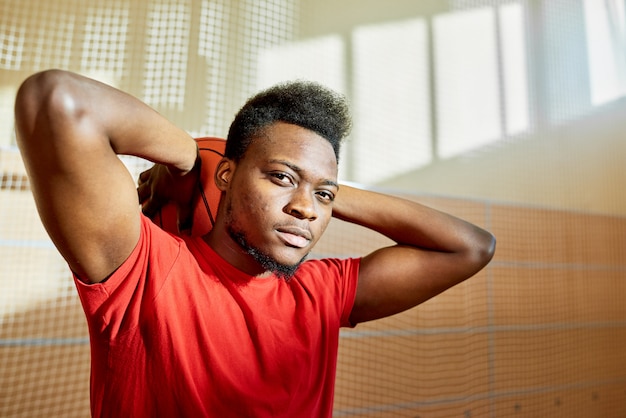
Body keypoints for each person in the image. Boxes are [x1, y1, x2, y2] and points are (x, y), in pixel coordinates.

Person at [14, 69, 495, 417]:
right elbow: (56, 100)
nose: (306, 209)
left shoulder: (322, 293)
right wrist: (192, 155)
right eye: (280, 178)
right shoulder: (146, 271)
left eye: (323, 196)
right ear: (226, 174)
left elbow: (473, 247)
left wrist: (314, 186)